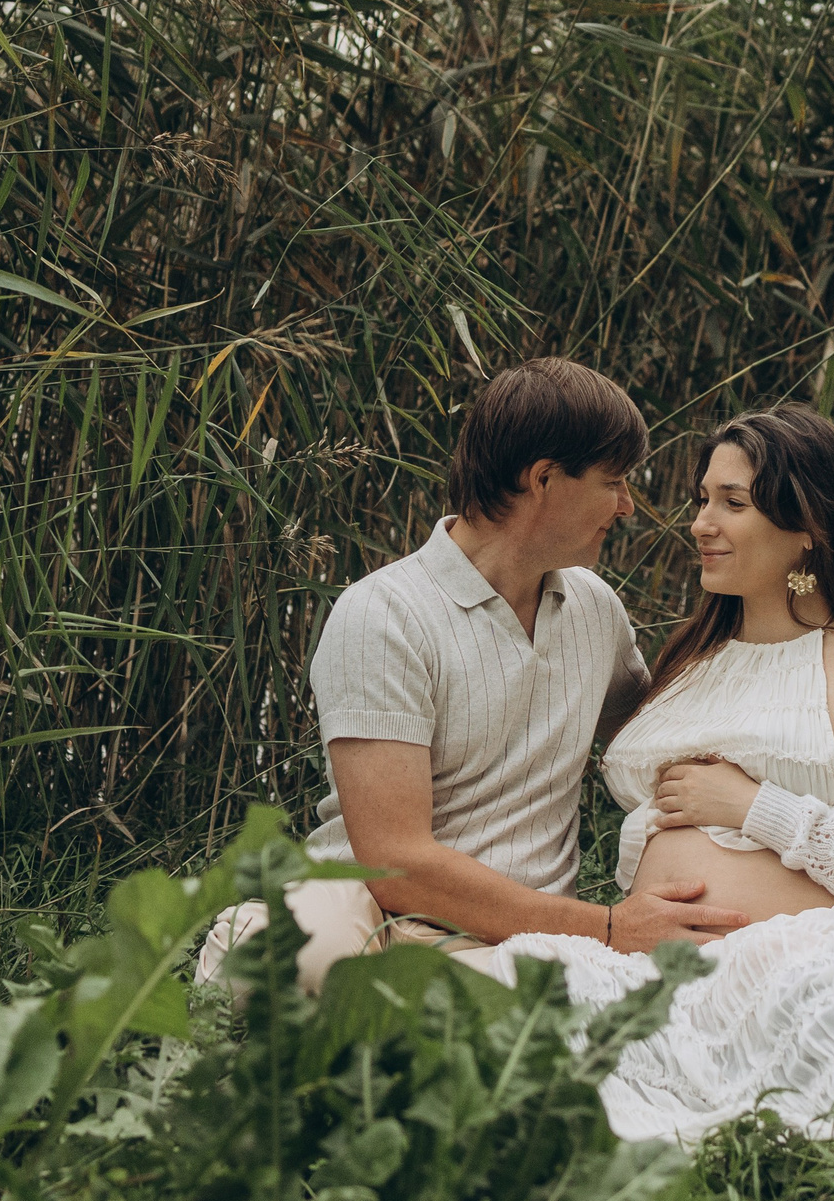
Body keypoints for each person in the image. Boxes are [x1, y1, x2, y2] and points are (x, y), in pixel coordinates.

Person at [494, 404, 834, 1165]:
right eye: (704, 498)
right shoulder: (683, 666)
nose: (702, 522)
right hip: (660, 958)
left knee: (823, 992)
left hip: (817, 952)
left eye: (732, 503)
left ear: (806, 523)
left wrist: (756, 807)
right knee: (528, 988)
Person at [194, 358, 752, 994]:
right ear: (544, 478)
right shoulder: (383, 615)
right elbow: (392, 860)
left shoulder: (596, 609)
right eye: (614, 482)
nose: (626, 506)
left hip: (519, 930)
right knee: (286, 959)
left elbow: (660, 747)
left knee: (546, 1013)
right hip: (365, 904)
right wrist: (606, 927)